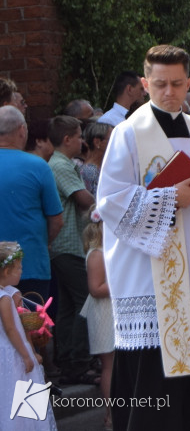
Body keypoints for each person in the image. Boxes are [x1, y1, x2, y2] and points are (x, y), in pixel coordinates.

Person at [95, 44, 190, 430]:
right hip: (150, 279)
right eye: (160, 84)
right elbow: (109, 202)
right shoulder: (128, 134)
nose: (169, 92)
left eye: (177, 84)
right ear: (145, 84)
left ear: (189, 82)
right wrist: (166, 197)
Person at [47, 115, 96, 385]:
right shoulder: (61, 165)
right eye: (79, 136)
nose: (82, 141)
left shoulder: (60, 163)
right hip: (68, 246)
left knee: (67, 307)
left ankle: (67, 359)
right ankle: (79, 361)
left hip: (67, 246)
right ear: (67, 140)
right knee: (86, 300)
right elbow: (84, 199)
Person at [0, 107, 63, 300]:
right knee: (34, 326)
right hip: (30, 263)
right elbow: (57, 220)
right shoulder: (38, 166)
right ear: (21, 130)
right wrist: (44, 242)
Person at [1, 241, 58, 430]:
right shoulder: (5, 298)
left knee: (8, 396)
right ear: (7, 271)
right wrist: (27, 354)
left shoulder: (10, 294)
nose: (21, 271)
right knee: (20, 393)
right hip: (12, 352)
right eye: (18, 268)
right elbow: (11, 329)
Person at [80, 214, 115, 429]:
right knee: (109, 364)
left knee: (120, 363)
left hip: (113, 311)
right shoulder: (97, 255)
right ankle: (111, 413)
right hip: (104, 313)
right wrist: (123, 285)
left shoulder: (108, 252)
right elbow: (96, 289)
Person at [80, 121, 113, 195]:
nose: (116, 142)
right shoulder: (90, 171)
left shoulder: (100, 168)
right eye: (112, 139)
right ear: (97, 142)